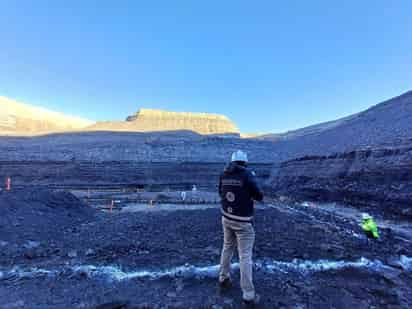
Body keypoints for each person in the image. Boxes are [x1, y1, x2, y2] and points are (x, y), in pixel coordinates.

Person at [218, 150, 264, 306]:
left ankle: (223, 278)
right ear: (244, 162)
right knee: (245, 256)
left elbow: (220, 193)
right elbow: (259, 195)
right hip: (243, 221)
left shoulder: (223, 173)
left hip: (226, 217)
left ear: (232, 161)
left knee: (227, 247)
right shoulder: (247, 174)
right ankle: (248, 294)